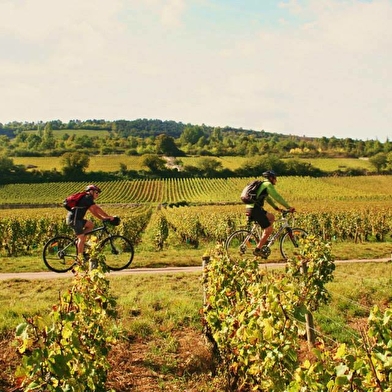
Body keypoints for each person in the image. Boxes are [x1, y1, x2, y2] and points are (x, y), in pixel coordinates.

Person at [245, 170, 295, 258]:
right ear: (271, 178)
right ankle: (258, 249)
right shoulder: (268, 185)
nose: (276, 180)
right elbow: (277, 197)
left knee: (271, 217)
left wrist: (276, 208)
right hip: (255, 209)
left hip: (252, 208)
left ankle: (264, 239)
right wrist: (288, 207)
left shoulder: (263, 185)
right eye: (275, 178)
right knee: (269, 229)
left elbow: (268, 199)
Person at [66, 184, 115, 256]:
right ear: (91, 191)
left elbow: (93, 211)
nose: (98, 194)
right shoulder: (87, 198)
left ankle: (81, 243)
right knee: (81, 238)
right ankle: (80, 259)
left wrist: (104, 217)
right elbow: (96, 209)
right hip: (74, 220)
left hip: (77, 219)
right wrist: (106, 217)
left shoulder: (86, 199)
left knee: (90, 225)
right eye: (96, 192)